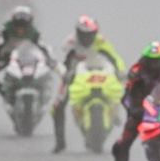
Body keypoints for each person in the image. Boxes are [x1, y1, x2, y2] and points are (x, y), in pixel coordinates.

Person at [51, 15, 126, 153]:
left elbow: (114, 57)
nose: (87, 38)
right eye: (83, 34)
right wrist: (65, 74)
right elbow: (62, 62)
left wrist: (120, 71)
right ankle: (60, 142)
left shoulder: (100, 41)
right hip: (74, 73)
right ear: (78, 32)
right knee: (58, 105)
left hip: (95, 70)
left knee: (119, 89)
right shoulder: (70, 42)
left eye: (90, 34)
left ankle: (115, 114)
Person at [0, 5, 55, 97]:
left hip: (30, 59)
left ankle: (43, 92)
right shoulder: (5, 32)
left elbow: (43, 47)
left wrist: (49, 59)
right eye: (18, 25)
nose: (20, 29)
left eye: (24, 26)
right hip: (8, 58)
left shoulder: (34, 34)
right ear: (13, 23)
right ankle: (2, 90)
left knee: (48, 71)